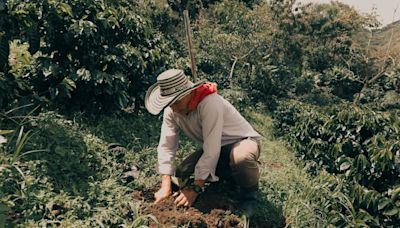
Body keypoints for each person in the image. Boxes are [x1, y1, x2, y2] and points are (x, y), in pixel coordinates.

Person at [145, 69, 262, 215]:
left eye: (176, 101)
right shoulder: (172, 111)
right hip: (218, 148)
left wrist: (195, 188)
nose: (173, 108)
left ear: (188, 93)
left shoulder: (210, 104)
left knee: (241, 158)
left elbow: (211, 149)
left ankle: (249, 197)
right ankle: (227, 176)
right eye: (169, 103)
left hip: (242, 142)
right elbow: (167, 145)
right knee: (183, 172)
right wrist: (165, 182)